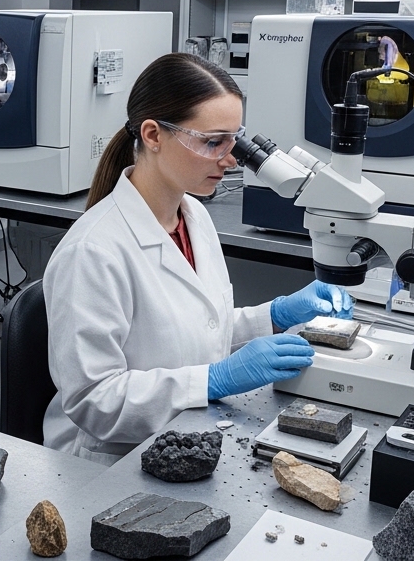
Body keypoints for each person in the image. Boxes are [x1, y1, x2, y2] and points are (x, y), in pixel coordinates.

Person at [42, 53, 351, 462]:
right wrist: (215, 380)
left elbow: (197, 332)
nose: (230, 159)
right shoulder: (93, 252)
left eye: (235, 140)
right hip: (113, 462)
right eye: (212, 142)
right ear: (153, 135)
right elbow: (93, 400)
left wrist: (275, 315)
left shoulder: (194, 215)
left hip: (188, 436)